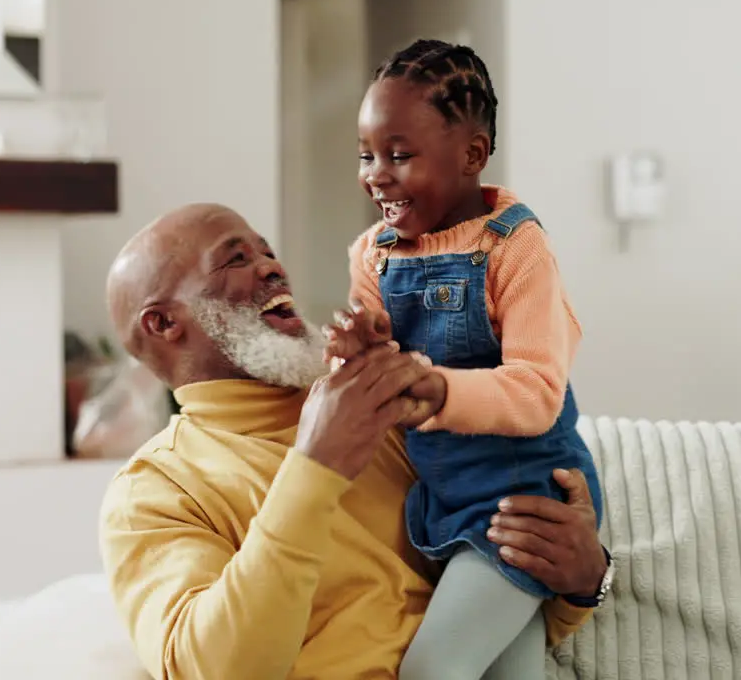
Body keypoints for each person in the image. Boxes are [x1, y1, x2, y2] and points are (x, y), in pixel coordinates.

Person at [99, 203, 612, 680]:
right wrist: (314, 467)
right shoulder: (154, 492)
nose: (272, 268)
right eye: (236, 259)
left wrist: (582, 579)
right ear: (164, 323)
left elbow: (486, 586)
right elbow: (217, 668)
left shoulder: (388, 398)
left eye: (269, 252)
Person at [328, 39, 604, 680]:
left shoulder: (517, 248)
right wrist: (354, 354)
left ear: (472, 156)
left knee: (433, 670)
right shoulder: (373, 255)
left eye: (399, 155)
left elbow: (538, 391)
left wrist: (437, 390)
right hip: (446, 497)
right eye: (367, 155)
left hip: (523, 500)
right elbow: (374, 374)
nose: (376, 173)